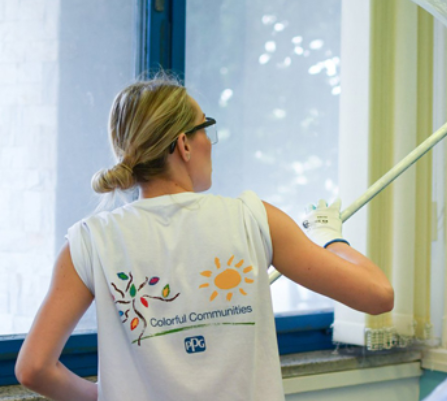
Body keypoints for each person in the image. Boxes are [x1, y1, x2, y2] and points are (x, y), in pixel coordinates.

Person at [14, 76, 394, 401]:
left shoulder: (92, 241)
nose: (211, 141)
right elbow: (377, 295)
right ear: (183, 144)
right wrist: (330, 237)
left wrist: (106, 395)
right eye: (205, 127)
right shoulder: (252, 219)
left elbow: (33, 368)